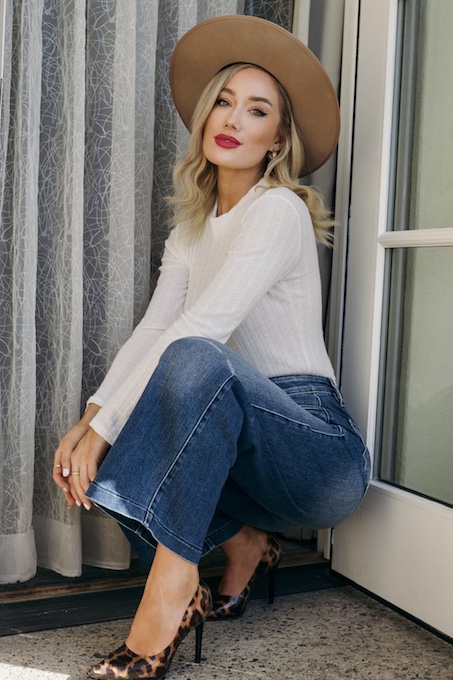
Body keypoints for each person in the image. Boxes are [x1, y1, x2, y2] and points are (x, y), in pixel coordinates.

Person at [52, 15, 371, 680]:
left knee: (192, 362)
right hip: (238, 452)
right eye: (224, 101)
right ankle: (246, 542)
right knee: (137, 423)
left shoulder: (277, 210)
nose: (232, 118)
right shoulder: (191, 232)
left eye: (257, 110)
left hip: (315, 453)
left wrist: (104, 428)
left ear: (277, 138)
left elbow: (201, 332)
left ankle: (167, 602)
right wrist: (90, 419)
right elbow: (152, 332)